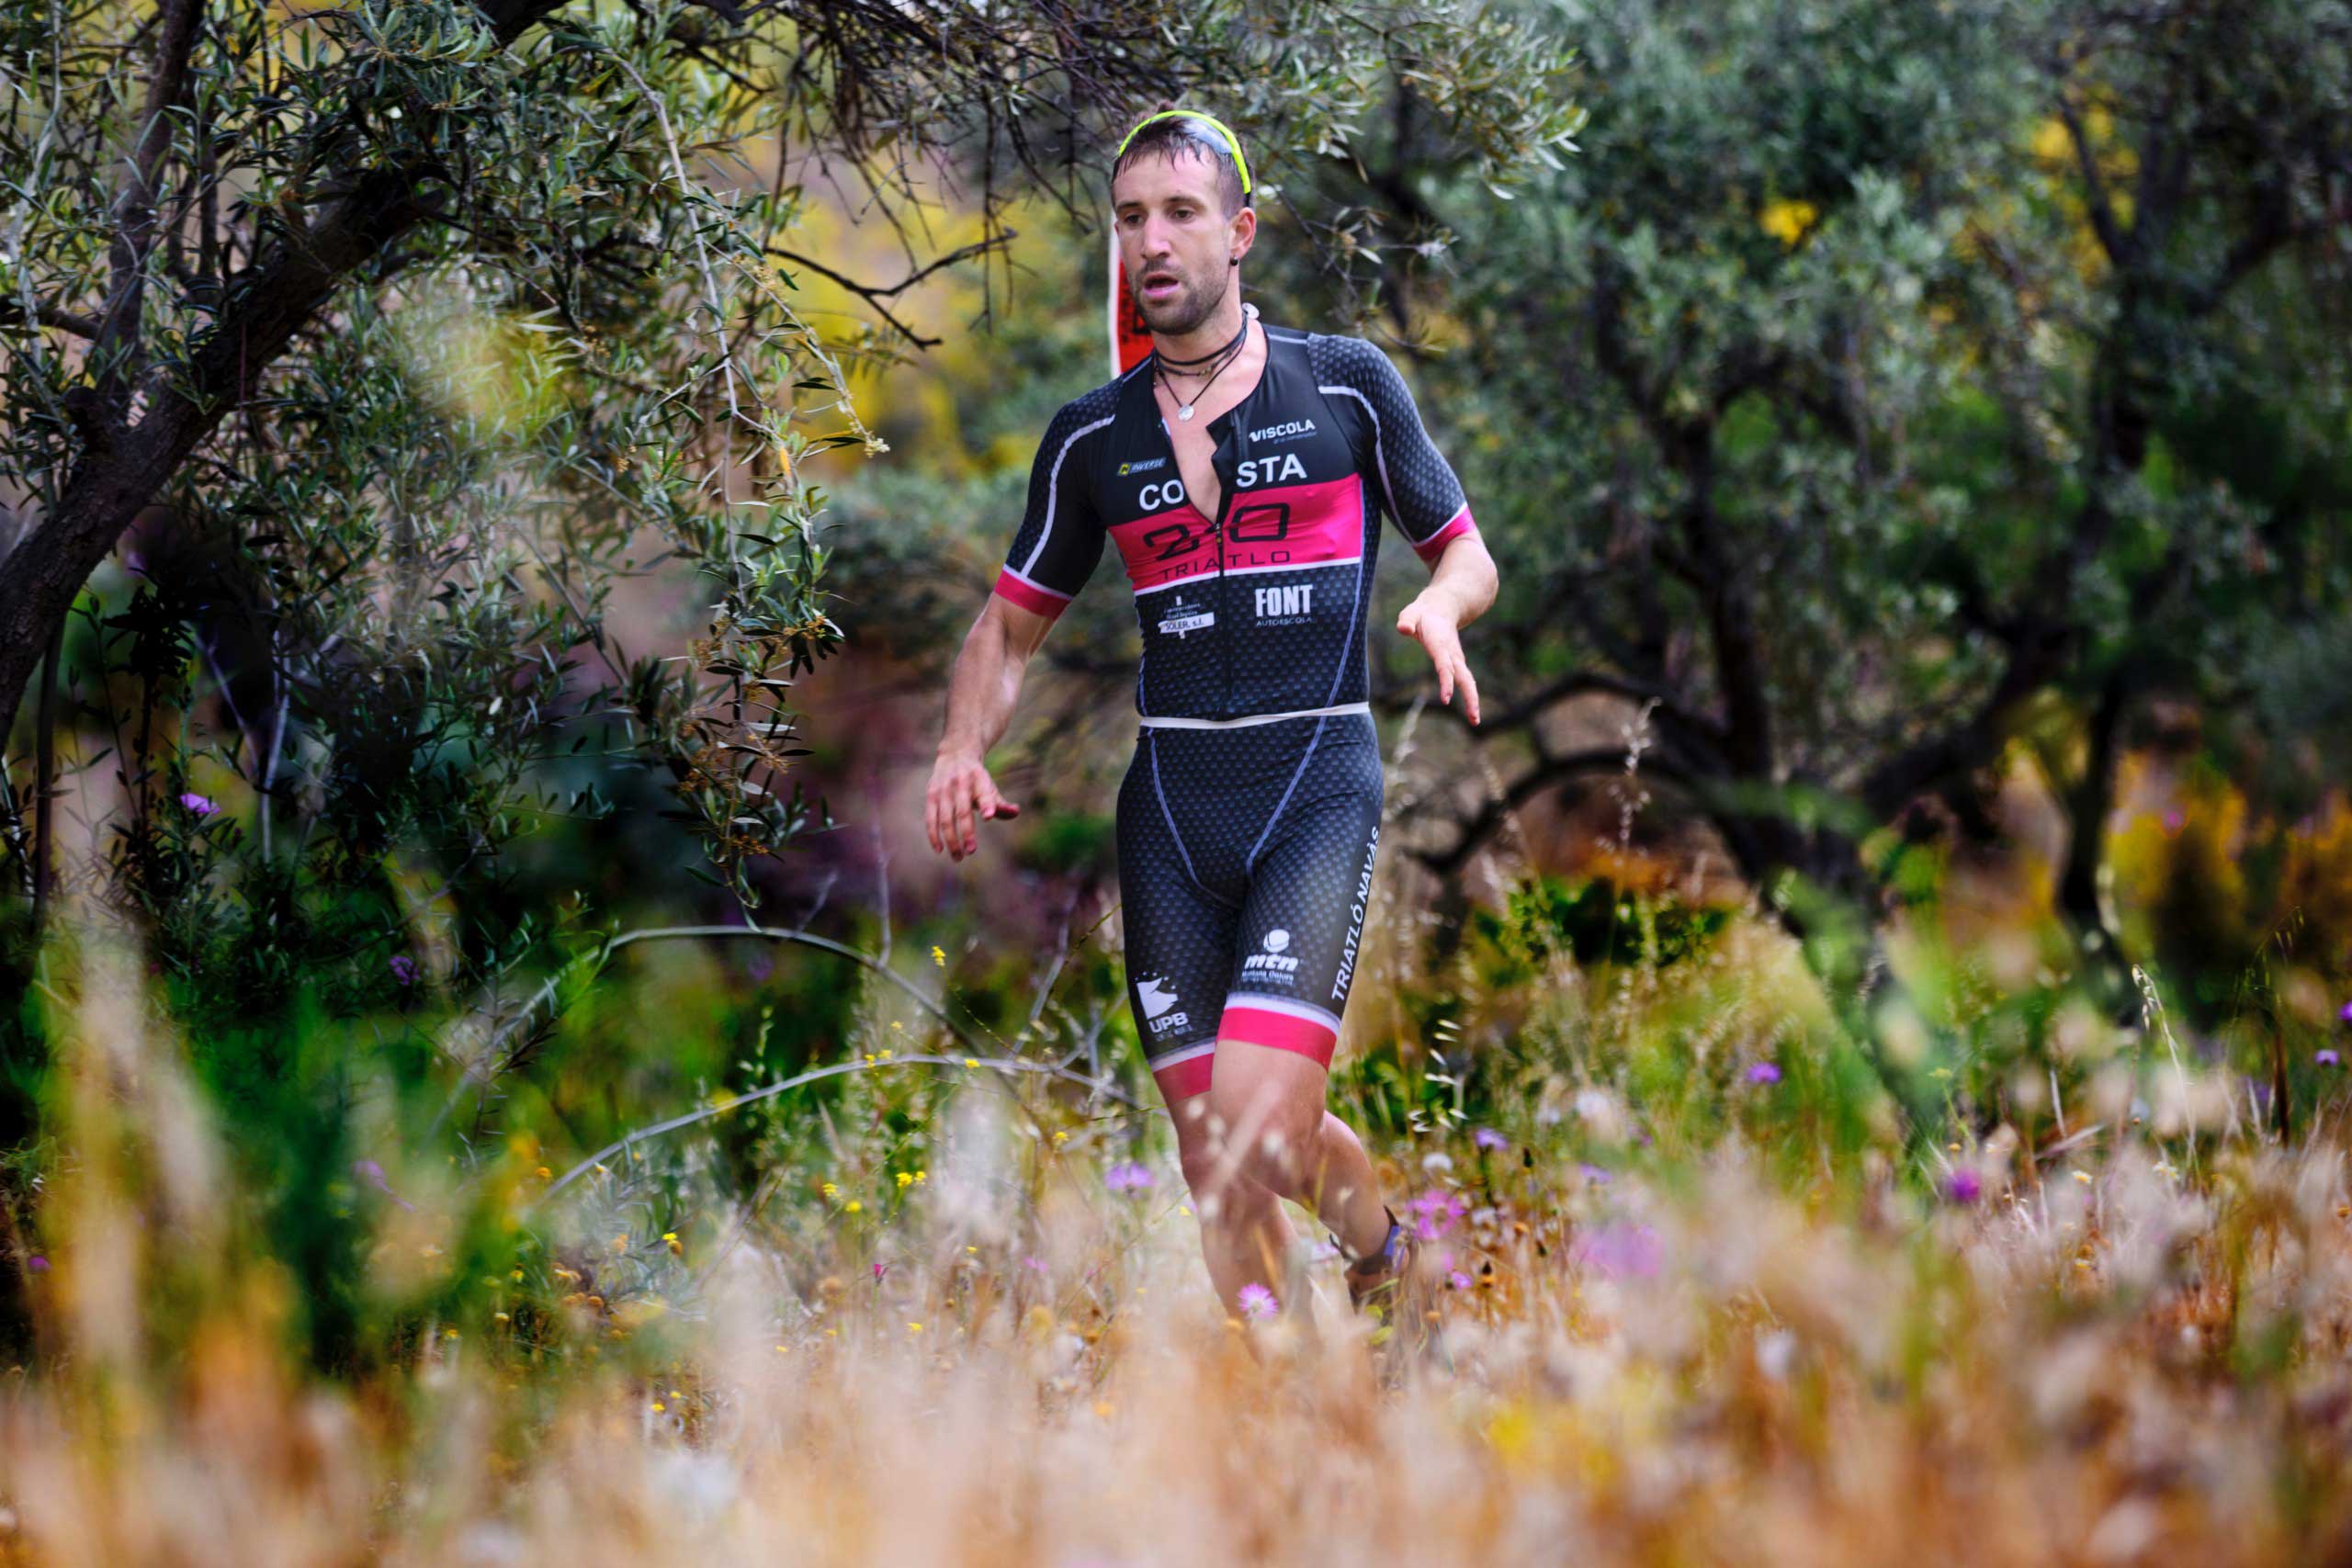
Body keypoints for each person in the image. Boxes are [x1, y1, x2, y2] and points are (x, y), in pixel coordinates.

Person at [922, 108, 1498, 1337]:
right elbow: (1007, 628)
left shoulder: (1345, 381)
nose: (1153, 239)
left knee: (1267, 1128)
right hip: (1173, 811)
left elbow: (1466, 556)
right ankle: (1286, 1412)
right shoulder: (1090, 436)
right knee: (1210, 1162)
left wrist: (1442, 611)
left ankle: (1392, 1264)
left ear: (1240, 231)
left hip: (1315, 782)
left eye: (1181, 213)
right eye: (1131, 218)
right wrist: (959, 747)